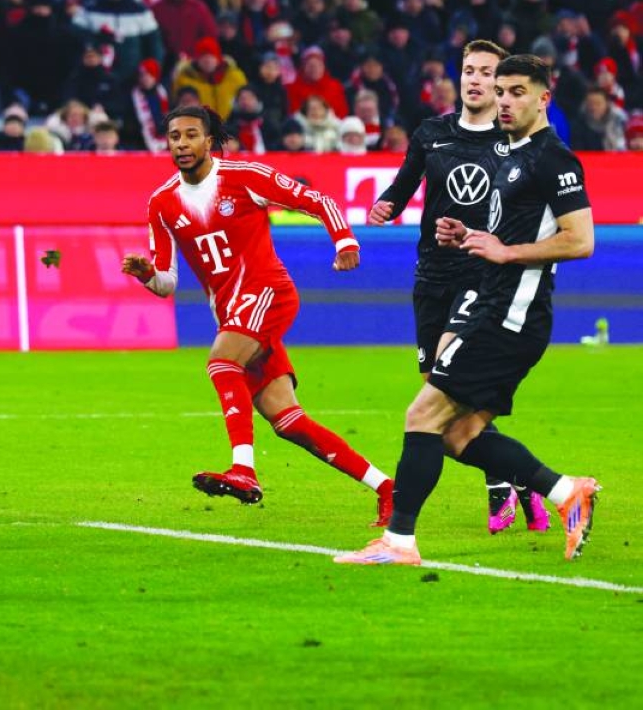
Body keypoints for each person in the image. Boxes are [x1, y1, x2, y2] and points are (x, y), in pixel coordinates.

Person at [337, 54, 599, 566]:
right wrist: (471, 239)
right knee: (458, 435)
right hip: (496, 307)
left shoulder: (554, 159)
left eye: (517, 91)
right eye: (500, 90)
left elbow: (581, 240)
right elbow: (516, 231)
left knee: (423, 414)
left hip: (512, 316)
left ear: (544, 98)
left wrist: (506, 252)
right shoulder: (509, 154)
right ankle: (568, 492)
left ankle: (399, 543)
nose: (504, 100)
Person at [121, 105, 393, 524]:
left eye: (191, 135)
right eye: (174, 136)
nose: (182, 144)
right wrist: (146, 275)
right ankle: (386, 487)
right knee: (288, 420)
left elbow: (316, 199)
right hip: (233, 313)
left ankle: (244, 471)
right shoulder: (161, 202)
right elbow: (166, 284)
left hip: (269, 292)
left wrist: (345, 243)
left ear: (209, 141)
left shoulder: (244, 177)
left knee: (221, 361)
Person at [368, 40, 552, 536]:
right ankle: (523, 481)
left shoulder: (513, 143)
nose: (474, 80)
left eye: (485, 73)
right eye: (468, 70)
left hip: (481, 279)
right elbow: (403, 187)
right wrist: (385, 206)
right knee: (440, 388)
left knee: (444, 394)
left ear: (500, 84)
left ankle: (493, 494)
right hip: (432, 276)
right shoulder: (432, 134)